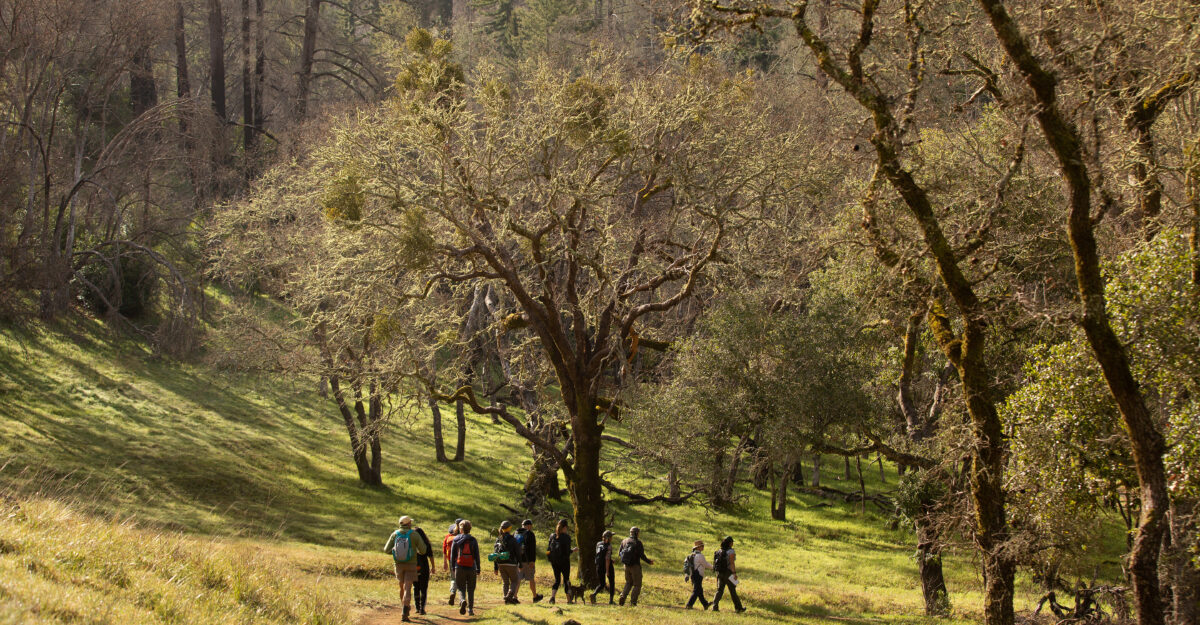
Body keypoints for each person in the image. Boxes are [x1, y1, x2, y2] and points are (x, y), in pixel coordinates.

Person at [383, 515, 430, 623]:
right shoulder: (414, 534)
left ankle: (404, 606)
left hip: (398, 564)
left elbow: (386, 550)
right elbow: (423, 551)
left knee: (401, 586)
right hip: (411, 564)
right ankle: (405, 611)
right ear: (409, 524)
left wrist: (395, 553)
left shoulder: (395, 534)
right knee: (408, 587)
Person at [449, 520, 481, 616]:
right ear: (470, 528)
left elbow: (452, 556)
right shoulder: (473, 540)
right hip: (471, 566)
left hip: (459, 566)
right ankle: (470, 609)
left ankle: (463, 600)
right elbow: (477, 555)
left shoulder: (456, 539)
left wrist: (453, 568)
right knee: (471, 589)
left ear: (460, 529)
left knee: (461, 587)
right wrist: (478, 568)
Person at [617, 526, 654, 606]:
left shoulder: (624, 541)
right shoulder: (638, 542)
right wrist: (649, 561)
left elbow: (620, 553)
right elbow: (642, 555)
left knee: (628, 582)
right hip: (635, 566)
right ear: (636, 533)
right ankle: (633, 602)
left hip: (626, 566)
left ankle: (623, 596)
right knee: (637, 584)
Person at [711, 535, 746, 613]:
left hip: (719, 573)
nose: (732, 543)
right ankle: (738, 608)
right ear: (730, 543)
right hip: (728, 573)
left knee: (719, 590)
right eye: (732, 542)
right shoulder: (731, 551)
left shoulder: (719, 551)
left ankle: (715, 606)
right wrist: (734, 573)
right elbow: (732, 563)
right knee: (733, 590)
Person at [546, 518, 577, 603]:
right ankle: (569, 600)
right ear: (565, 527)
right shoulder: (566, 537)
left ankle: (552, 597)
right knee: (566, 580)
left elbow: (548, 550)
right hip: (564, 562)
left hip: (554, 562)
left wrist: (550, 559)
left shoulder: (552, 536)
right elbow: (567, 552)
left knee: (557, 580)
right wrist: (572, 551)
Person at [493, 520, 523, 604]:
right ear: (509, 528)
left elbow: (495, 554)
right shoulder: (512, 539)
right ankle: (509, 596)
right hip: (511, 563)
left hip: (500, 564)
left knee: (505, 582)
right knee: (515, 581)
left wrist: (495, 567)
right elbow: (517, 552)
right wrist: (520, 564)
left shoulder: (498, 539)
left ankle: (507, 601)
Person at [515, 519, 543, 602]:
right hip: (527, 561)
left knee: (518, 579)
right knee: (531, 578)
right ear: (529, 526)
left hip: (518, 560)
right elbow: (532, 549)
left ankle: (514, 596)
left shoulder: (515, 533)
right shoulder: (530, 534)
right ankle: (535, 596)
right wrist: (532, 561)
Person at [412, 525, 435, 615]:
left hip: (414, 567)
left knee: (415, 587)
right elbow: (431, 556)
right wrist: (433, 567)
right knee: (424, 588)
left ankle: (417, 607)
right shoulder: (426, 543)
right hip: (424, 567)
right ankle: (422, 609)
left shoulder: (412, 543)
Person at [589, 529, 616, 604]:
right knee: (612, 582)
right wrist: (607, 571)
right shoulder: (609, 546)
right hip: (607, 566)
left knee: (602, 584)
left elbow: (601, 555)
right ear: (608, 538)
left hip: (599, 566)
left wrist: (611, 559)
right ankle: (611, 600)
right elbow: (607, 559)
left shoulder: (598, 544)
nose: (612, 538)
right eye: (611, 537)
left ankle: (594, 594)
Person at [684, 540, 711, 609]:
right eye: (702, 546)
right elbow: (706, 564)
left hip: (693, 575)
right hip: (698, 575)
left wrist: (687, 575)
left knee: (699, 590)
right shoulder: (700, 556)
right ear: (698, 548)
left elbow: (687, 566)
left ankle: (705, 604)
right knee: (696, 590)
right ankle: (689, 605)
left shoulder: (690, 556)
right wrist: (714, 567)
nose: (703, 547)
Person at [443, 520, 460, 605]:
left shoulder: (448, 537)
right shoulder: (464, 536)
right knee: (462, 579)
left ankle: (453, 592)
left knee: (453, 578)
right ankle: (462, 598)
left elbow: (444, 550)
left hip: (451, 560)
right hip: (462, 561)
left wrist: (444, 562)